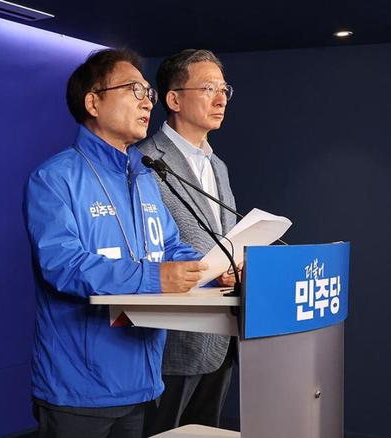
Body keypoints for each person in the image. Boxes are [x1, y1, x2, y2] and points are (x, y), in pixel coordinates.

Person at [24, 48, 208, 438]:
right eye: (133, 90)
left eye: (148, 93)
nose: (147, 102)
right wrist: (157, 278)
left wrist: (211, 271)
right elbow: (64, 267)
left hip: (141, 379)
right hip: (78, 387)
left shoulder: (145, 176)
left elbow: (170, 247)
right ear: (93, 102)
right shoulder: (55, 177)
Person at [138, 49, 237, 435]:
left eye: (224, 89)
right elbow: (145, 245)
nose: (221, 98)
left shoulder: (218, 165)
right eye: (209, 88)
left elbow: (223, 234)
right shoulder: (143, 161)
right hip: (173, 342)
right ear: (174, 99)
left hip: (220, 336)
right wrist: (212, 269)